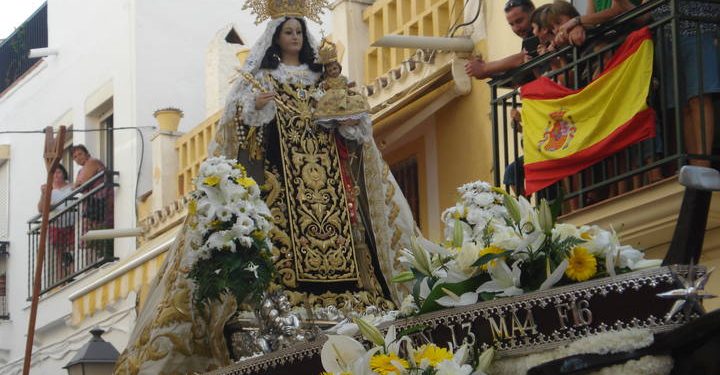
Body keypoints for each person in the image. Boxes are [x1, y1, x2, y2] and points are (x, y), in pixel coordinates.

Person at [116, 3, 419, 373]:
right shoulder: (263, 77)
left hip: (327, 180)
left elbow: (352, 130)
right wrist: (256, 108)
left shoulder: (323, 78)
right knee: (280, 240)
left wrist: (347, 119)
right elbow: (235, 124)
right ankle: (281, 301)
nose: (293, 37)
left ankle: (354, 300)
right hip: (281, 179)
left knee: (348, 241)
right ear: (276, 36)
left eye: (298, 31)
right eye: (287, 31)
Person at [649, 0, 720, 167]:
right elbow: (645, 13)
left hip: (700, 28)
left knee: (699, 98)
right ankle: (696, 163)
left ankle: (704, 163)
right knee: (682, 105)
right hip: (667, 37)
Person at [464, 0, 535, 80]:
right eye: (512, 24)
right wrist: (488, 73)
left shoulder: (541, 31)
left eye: (519, 21)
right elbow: (517, 76)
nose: (516, 28)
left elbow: (521, 58)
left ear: (533, 13)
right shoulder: (527, 39)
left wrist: (484, 68)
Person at [38, 164, 75, 282]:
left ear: (64, 173)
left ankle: (71, 274)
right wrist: (44, 194)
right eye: (53, 173)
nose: (56, 175)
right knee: (58, 254)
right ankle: (61, 279)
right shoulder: (49, 190)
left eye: (58, 172)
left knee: (71, 251)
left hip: (71, 224)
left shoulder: (72, 186)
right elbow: (41, 208)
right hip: (56, 225)